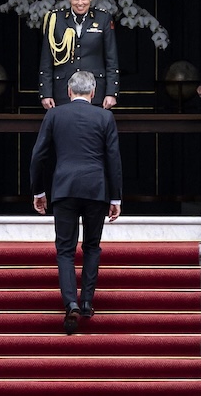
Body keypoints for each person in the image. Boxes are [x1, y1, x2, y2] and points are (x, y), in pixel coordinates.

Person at [29, 70, 123, 335]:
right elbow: (113, 160)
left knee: (65, 250)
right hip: (96, 189)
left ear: (69, 92)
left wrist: (39, 192)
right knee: (92, 246)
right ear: (93, 93)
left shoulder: (55, 114)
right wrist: (115, 197)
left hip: (64, 189)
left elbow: (39, 156)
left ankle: (70, 301)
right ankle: (86, 302)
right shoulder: (105, 116)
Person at [38, 0, 119, 110]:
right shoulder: (55, 20)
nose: (80, 3)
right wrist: (45, 93)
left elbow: (111, 58)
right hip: (63, 91)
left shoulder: (103, 18)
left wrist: (111, 92)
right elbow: (46, 59)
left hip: (95, 91)